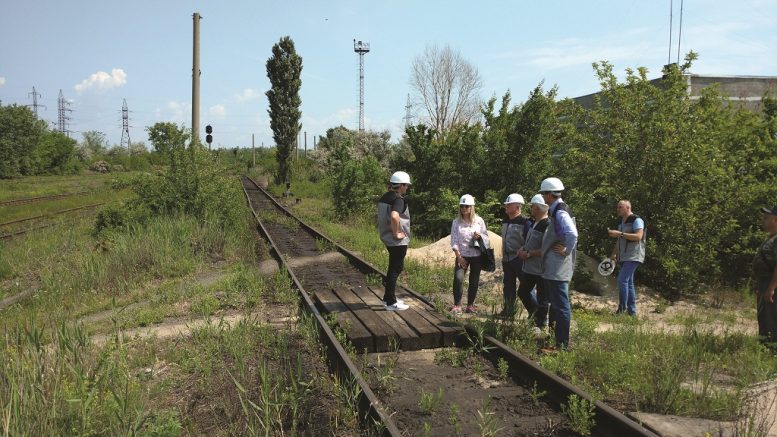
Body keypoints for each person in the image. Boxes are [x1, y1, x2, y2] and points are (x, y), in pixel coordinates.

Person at [539, 177, 577, 349]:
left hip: (558, 267)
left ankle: (562, 344)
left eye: (543, 194)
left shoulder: (560, 212)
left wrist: (566, 250)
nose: (543, 198)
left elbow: (572, 234)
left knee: (561, 306)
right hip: (554, 266)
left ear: (549, 194)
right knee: (556, 304)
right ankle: (556, 340)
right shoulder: (558, 210)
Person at [377, 171, 412, 311]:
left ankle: (387, 298)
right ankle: (391, 303)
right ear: (401, 185)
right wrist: (397, 232)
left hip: (386, 238)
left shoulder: (385, 197)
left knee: (393, 267)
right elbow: (394, 216)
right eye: (407, 185)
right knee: (396, 269)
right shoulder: (398, 199)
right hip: (397, 241)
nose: (407, 188)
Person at [450, 194, 489, 314]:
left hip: (476, 256)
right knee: (458, 278)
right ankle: (457, 305)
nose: (464, 208)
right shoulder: (456, 222)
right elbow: (454, 240)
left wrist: (480, 236)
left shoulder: (479, 221)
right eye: (462, 206)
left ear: (472, 207)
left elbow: (486, 237)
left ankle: (470, 305)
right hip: (462, 256)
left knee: (474, 280)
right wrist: (459, 257)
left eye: (467, 206)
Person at [517, 194, 550, 328]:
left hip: (541, 269)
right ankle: (535, 314)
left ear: (538, 208)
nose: (530, 208)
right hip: (530, 268)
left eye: (532, 206)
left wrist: (529, 254)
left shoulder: (547, 225)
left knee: (543, 298)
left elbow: (546, 249)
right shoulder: (535, 222)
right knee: (523, 292)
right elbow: (530, 242)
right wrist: (522, 249)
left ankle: (541, 323)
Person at [607, 200, 646, 316]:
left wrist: (620, 234)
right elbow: (620, 240)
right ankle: (632, 313)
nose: (617, 209)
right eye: (617, 207)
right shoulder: (622, 223)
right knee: (628, 283)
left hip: (634, 255)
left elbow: (639, 236)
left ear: (628, 208)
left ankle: (621, 310)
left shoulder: (637, 220)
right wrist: (614, 254)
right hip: (624, 256)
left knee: (622, 280)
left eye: (620, 207)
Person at [500, 193, 529, 317]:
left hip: (519, 259)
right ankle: (509, 311)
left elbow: (530, 241)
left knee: (526, 287)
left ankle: (535, 313)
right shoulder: (505, 221)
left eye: (509, 204)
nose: (506, 206)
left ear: (517, 207)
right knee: (508, 287)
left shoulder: (525, 222)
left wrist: (523, 251)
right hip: (507, 259)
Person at [753, 206, 777, 351]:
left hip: (771, 284)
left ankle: (770, 350)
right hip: (765, 283)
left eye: (767, 218)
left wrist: (771, 288)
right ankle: (766, 348)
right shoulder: (772, 238)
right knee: (765, 316)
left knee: (770, 318)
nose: (763, 221)